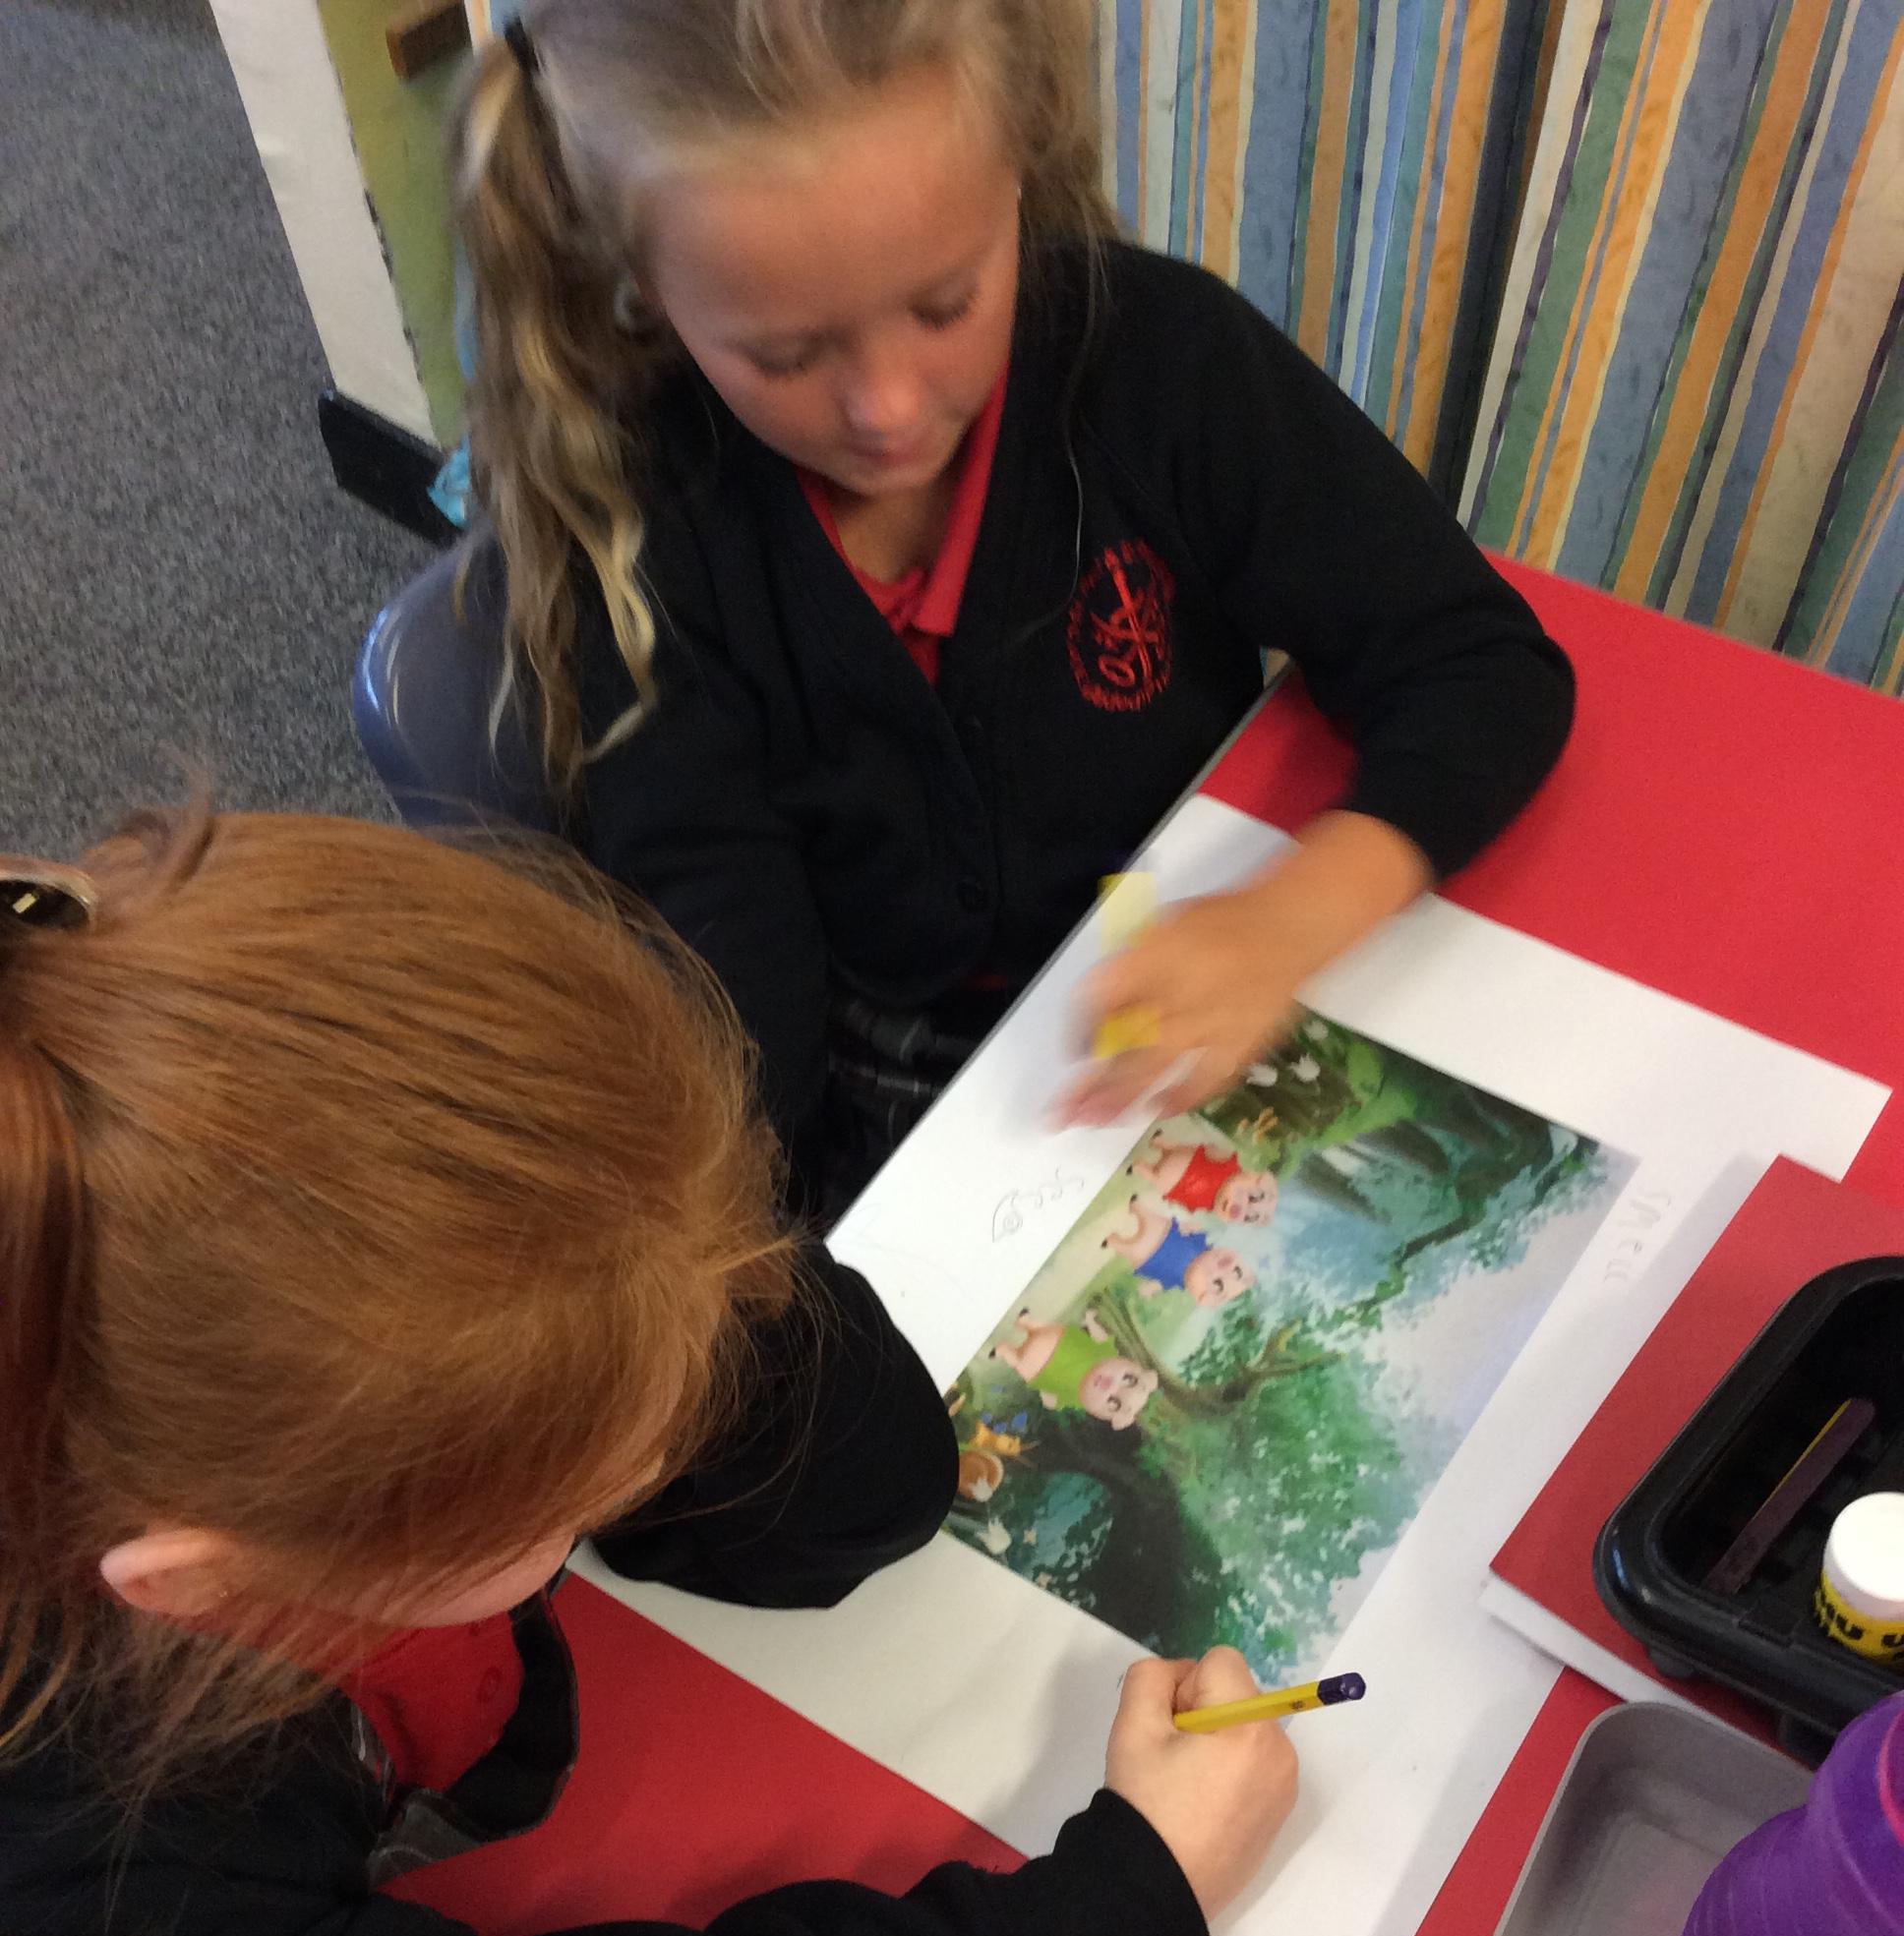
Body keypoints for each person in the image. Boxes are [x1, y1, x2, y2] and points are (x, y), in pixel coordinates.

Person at [0, 809, 1297, 1936]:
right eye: (561, 1500)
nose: (663, 1451)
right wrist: (1104, 1916)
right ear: (212, 1579)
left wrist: (650, 1279)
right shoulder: (87, 1888)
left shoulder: (260, 1287)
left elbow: (868, 1475)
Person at [451, 0, 1576, 1209]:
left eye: (943, 305)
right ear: (645, 286)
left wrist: (1292, 916)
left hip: (1213, 963)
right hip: (886, 1098)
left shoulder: (1161, 365)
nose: (886, 408)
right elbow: (734, 979)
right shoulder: (634, 524)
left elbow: (1477, 665)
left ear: (1017, 175)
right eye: (785, 356)